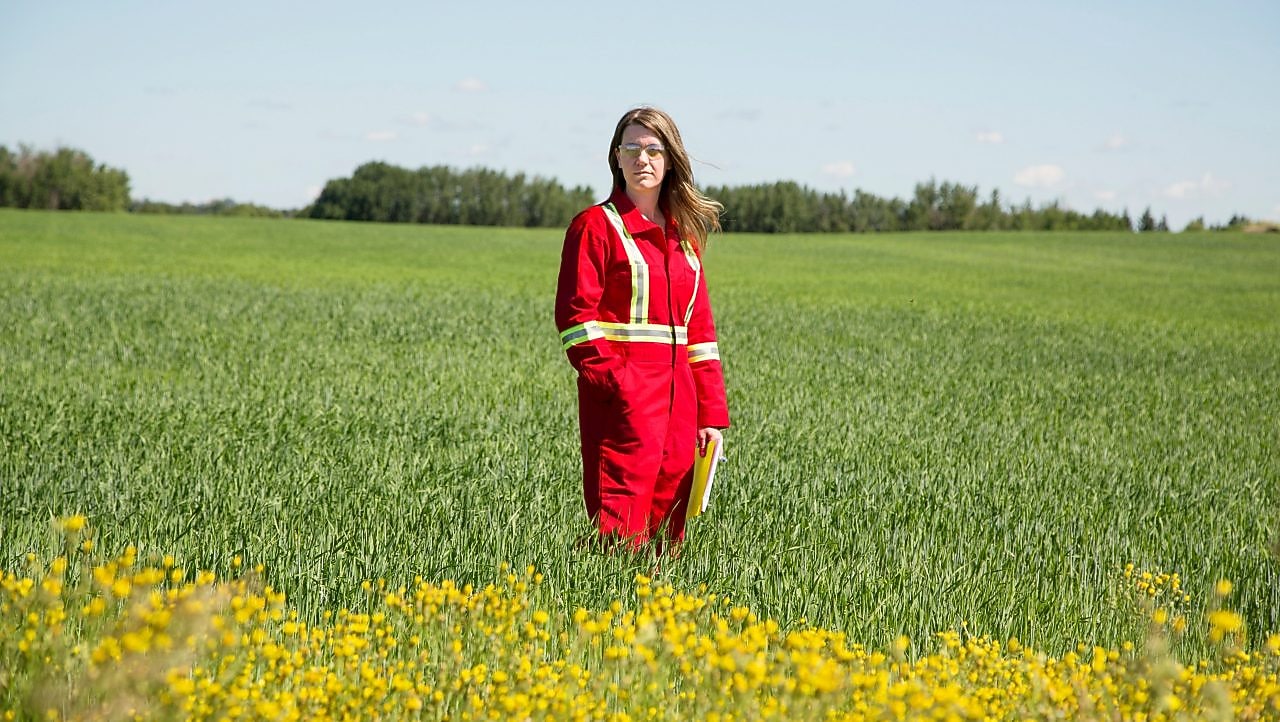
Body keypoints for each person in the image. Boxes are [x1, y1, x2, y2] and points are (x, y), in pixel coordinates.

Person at [555, 106, 729, 552]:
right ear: (616, 157)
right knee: (619, 520)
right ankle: (602, 610)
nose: (642, 159)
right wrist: (620, 384)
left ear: (669, 159)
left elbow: (702, 335)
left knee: (670, 524)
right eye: (631, 148)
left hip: (682, 403)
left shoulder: (684, 237)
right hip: (623, 400)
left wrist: (710, 416)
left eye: (653, 149)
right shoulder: (595, 227)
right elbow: (577, 321)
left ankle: (656, 615)